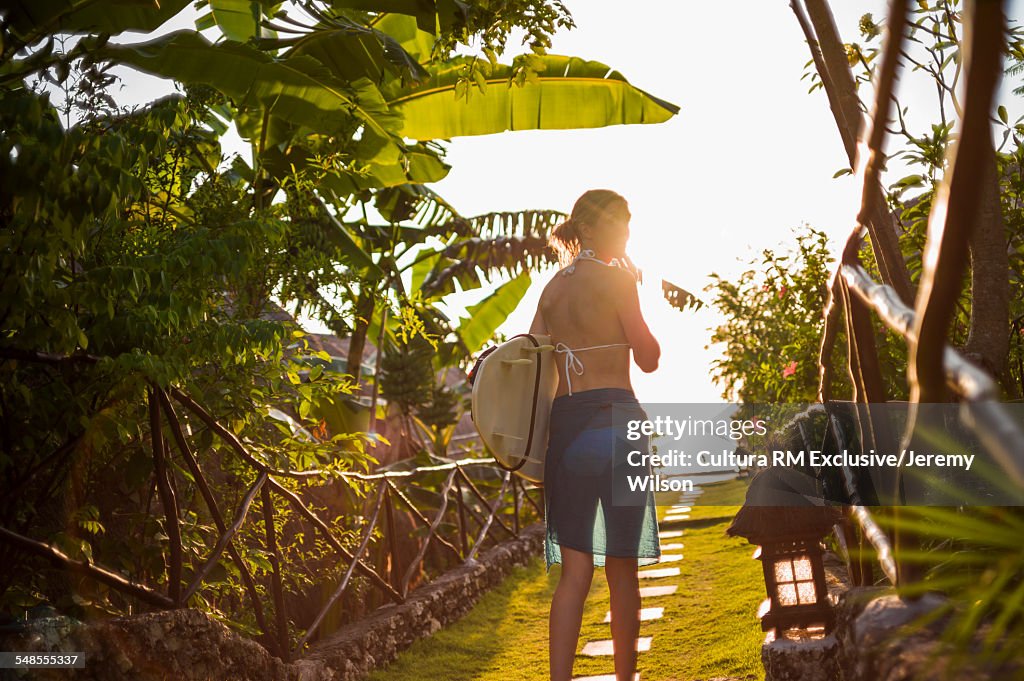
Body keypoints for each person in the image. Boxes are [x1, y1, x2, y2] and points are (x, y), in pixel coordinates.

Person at [528, 189, 662, 681]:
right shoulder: (619, 280)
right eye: (622, 225)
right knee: (621, 566)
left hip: (567, 431)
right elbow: (647, 357)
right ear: (594, 228)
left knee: (575, 571)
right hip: (616, 425)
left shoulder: (552, 290)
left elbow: (533, 364)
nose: (627, 234)